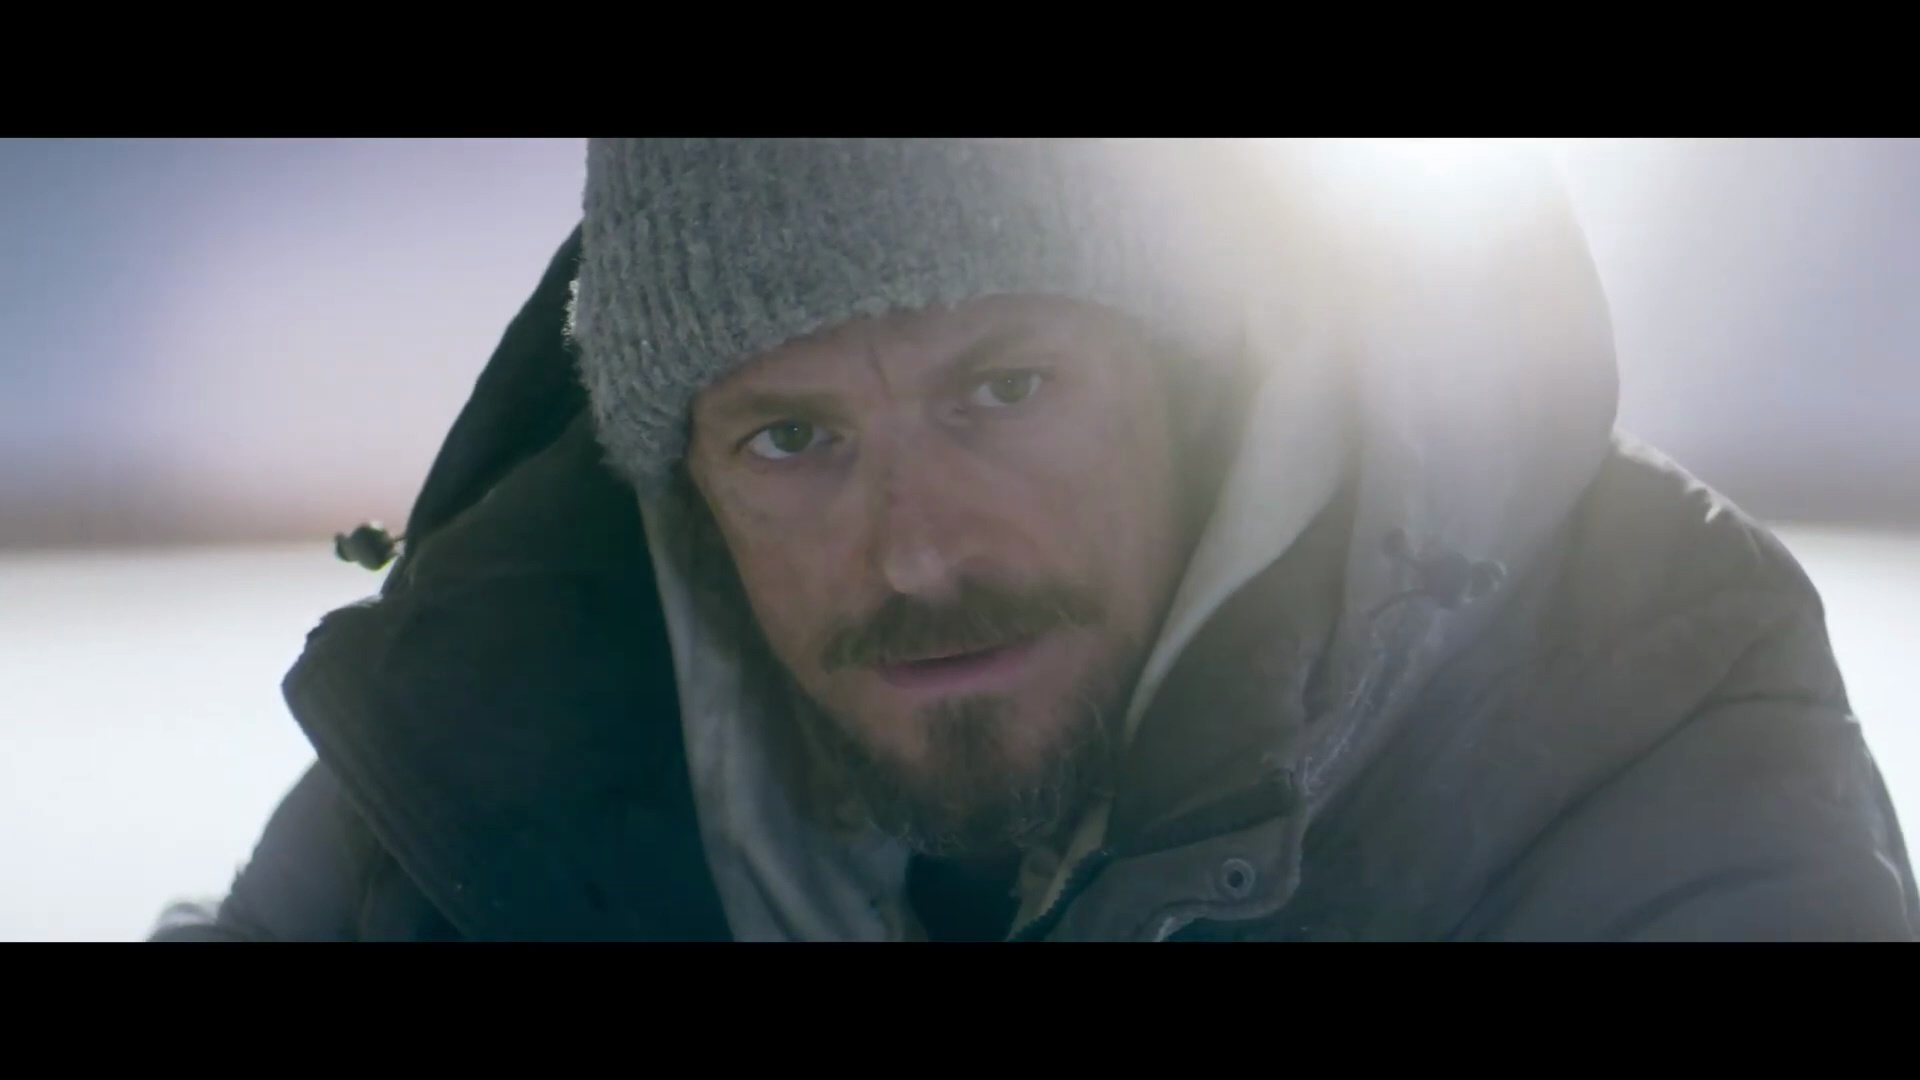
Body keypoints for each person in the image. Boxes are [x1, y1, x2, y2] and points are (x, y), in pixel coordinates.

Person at [150, 139, 1917, 942]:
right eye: (792, 439)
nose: (918, 556)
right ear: (675, 486)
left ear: (1185, 378)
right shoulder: (482, 761)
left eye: (1005, 390)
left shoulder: (1642, 707)